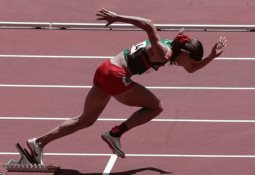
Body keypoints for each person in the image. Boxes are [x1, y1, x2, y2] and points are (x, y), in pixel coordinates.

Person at [26, 8, 227, 164]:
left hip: (104, 69)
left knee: (85, 121)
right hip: (116, 75)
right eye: (190, 60)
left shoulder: (171, 49)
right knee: (156, 106)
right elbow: (148, 24)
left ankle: (38, 143)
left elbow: (191, 70)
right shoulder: (164, 52)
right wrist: (117, 17)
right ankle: (115, 133)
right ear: (183, 53)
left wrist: (211, 57)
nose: (189, 64)